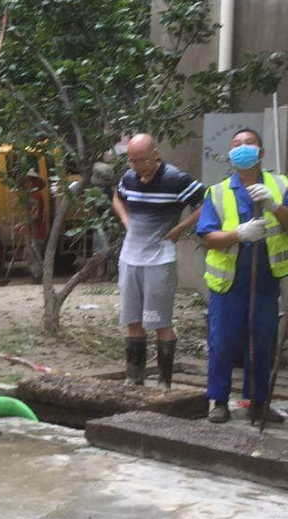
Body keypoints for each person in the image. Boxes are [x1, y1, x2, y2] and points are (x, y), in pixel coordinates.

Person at [197, 128, 288, 424]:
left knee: (262, 342)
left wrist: (275, 207)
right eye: (237, 144)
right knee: (223, 342)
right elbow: (208, 237)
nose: (243, 148)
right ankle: (219, 401)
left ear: (261, 153)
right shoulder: (218, 192)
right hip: (228, 282)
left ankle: (258, 403)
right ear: (230, 154)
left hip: (265, 281)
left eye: (249, 143)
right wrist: (238, 234)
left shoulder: (281, 185)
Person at [112, 133, 204, 390]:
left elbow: (206, 204)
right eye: (132, 160)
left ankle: (164, 383)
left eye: (142, 160)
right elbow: (117, 196)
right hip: (130, 258)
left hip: (159, 260)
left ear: (156, 154)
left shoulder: (176, 179)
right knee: (133, 320)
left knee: (159, 320)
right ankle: (134, 378)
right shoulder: (129, 177)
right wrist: (125, 219)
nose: (137, 166)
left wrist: (180, 228)